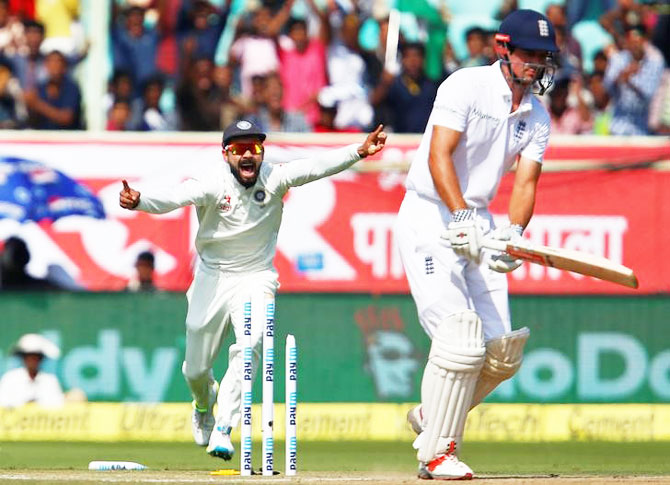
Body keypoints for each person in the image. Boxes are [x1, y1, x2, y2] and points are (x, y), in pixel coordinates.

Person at [119, 119, 386, 459]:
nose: (248, 155)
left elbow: (315, 166)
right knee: (195, 369)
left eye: (254, 149)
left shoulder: (274, 177)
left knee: (251, 344)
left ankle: (224, 427)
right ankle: (204, 402)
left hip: (257, 276)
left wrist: (359, 150)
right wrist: (141, 200)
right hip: (212, 276)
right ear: (226, 154)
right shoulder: (211, 183)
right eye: (239, 149)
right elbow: (175, 197)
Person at [393, 9, 558, 480]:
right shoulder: (464, 85)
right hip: (430, 212)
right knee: (458, 338)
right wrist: (460, 215)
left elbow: (526, 182)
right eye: (529, 55)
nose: (537, 65)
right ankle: (438, 452)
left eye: (544, 58)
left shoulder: (537, 115)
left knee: (501, 352)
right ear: (503, 49)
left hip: (480, 220)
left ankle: (431, 415)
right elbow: (438, 153)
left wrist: (515, 232)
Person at [0, 333, 64, 408]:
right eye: (29, 356)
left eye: (35, 357)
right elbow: (2, 403)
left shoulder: (50, 380)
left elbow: (58, 405)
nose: (32, 360)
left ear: (41, 358)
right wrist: (24, 404)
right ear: (23, 358)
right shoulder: (10, 378)